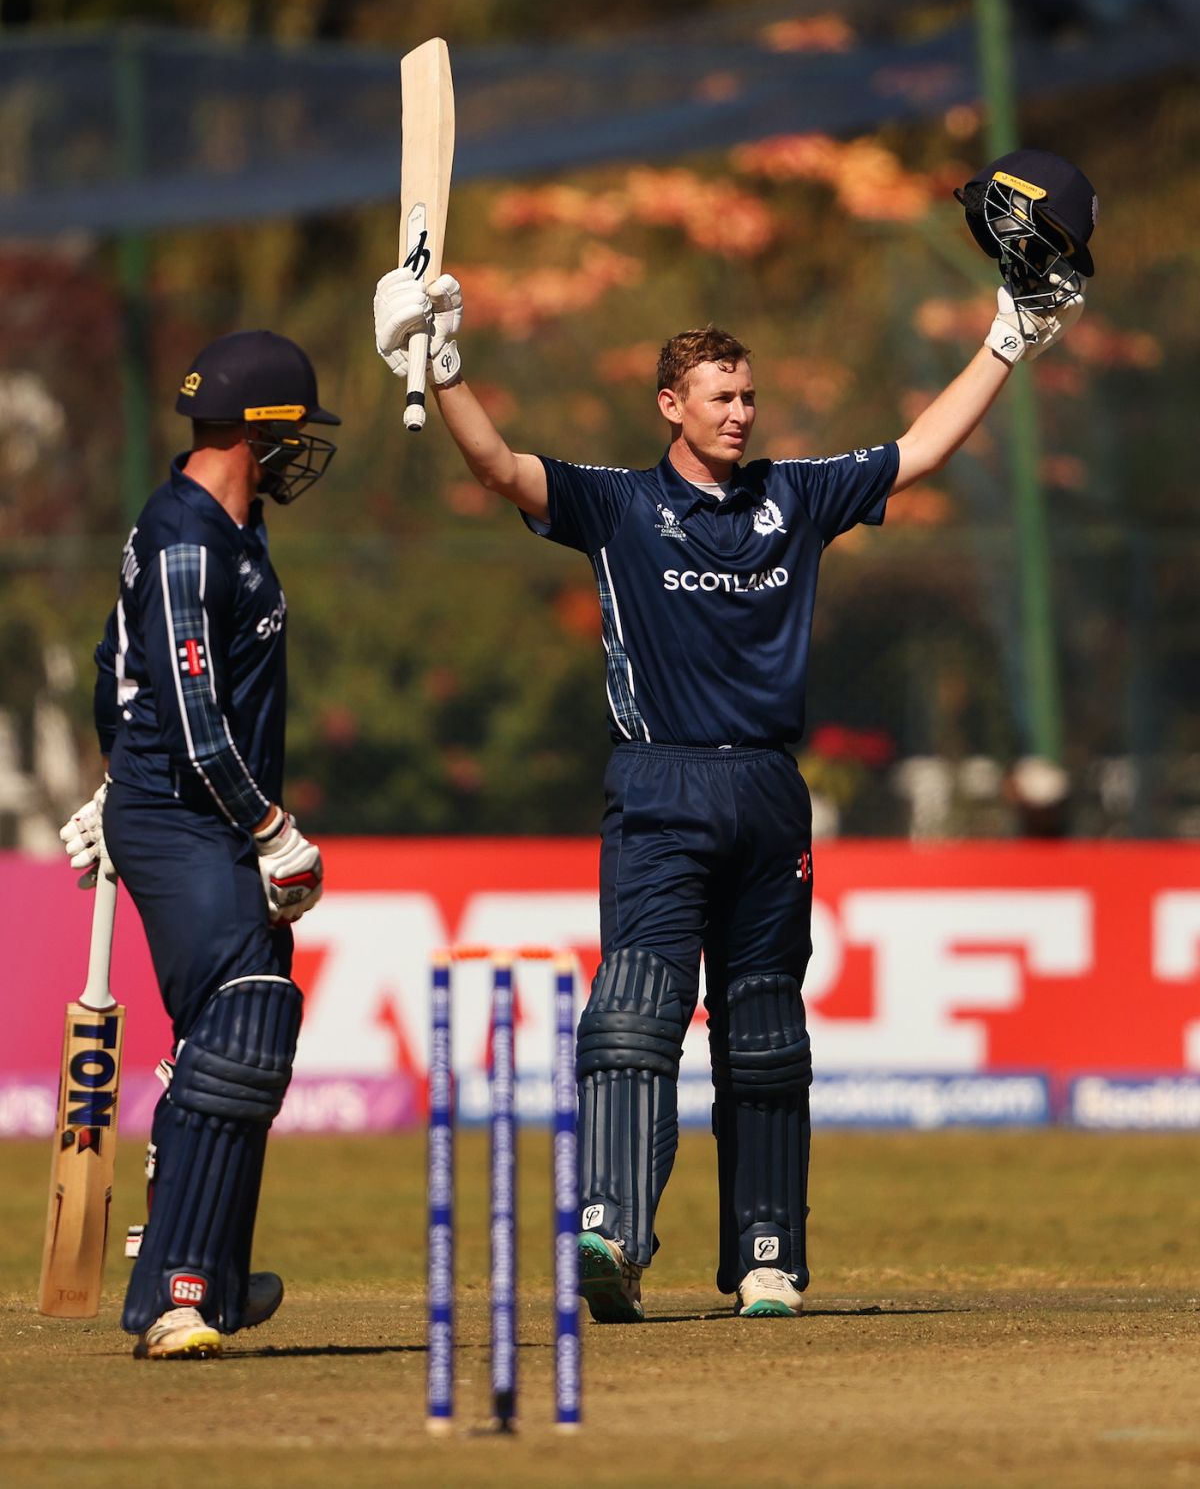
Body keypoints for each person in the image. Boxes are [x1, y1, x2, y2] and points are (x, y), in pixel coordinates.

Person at [371, 159, 1088, 1321]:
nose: (742, 413)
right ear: (671, 405)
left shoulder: (793, 497)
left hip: (766, 790)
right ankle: (610, 1232)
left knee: (764, 1034)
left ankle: (765, 1253)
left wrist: (1010, 337)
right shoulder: (614, 507)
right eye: (720, 398)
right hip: (658, 787)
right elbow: (499, 466)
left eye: (748, 396)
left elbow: (920, 451)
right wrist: (440, 362)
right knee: (634, 1015)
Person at [57, 330, 335, 1358]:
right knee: (243, 1015)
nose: (299, 449)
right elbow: (188, 708)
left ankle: (206, 1274)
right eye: (290, 430)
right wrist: (266, 826)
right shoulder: (187, 541)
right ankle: (171, 1294)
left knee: (248, 1033)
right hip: (190, 814)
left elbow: (107, 661)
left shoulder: (231, 525)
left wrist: (106, 770)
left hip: (183, 808)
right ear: (255, 432)